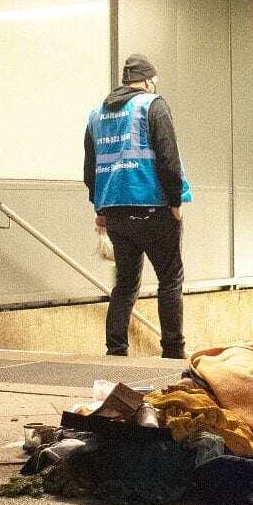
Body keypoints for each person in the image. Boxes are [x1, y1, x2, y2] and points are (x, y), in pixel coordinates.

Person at [84, 54, 191, 358]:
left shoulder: (97, 116)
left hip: (116, 214)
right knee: (170, 280)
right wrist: (175, 202)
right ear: (147, 82)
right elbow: (169, 157)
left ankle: (116, 351)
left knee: (126, 284)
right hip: (154, 210)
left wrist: (100, 210)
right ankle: (172, 352)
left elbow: (90, 168)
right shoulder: (152, 105)